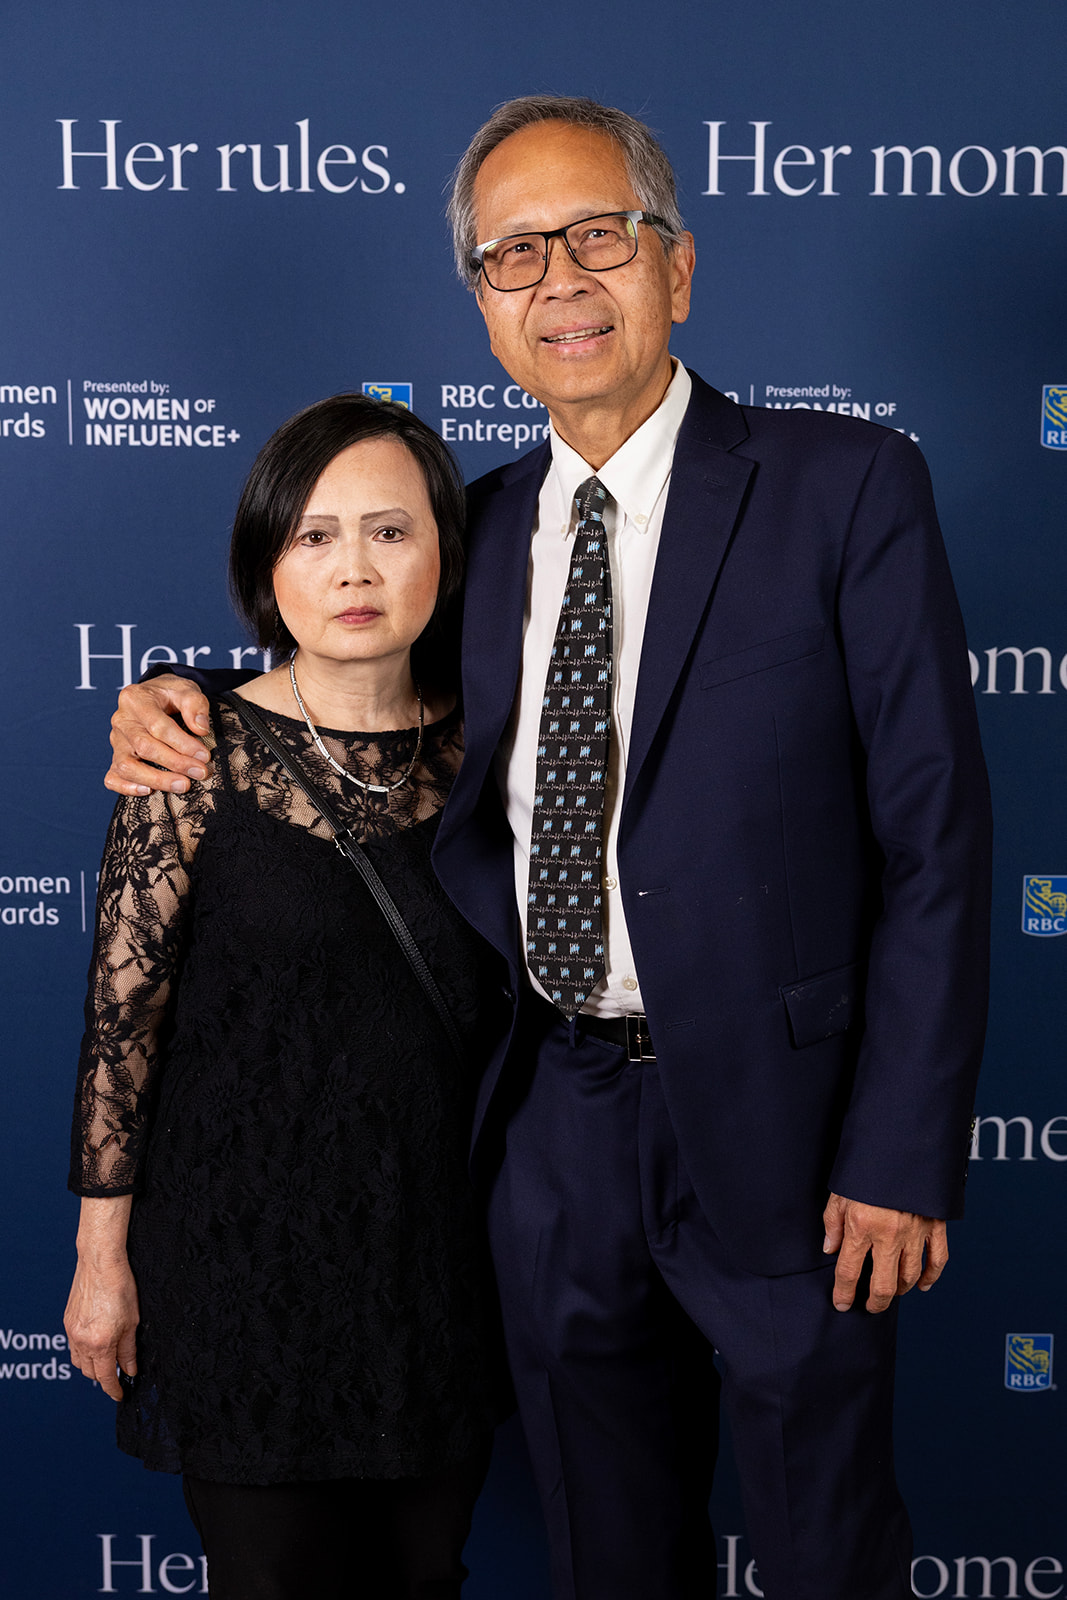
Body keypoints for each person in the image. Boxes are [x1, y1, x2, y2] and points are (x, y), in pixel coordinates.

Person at [104, 97, 992, 1600]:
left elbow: (935, 841)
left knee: (824, 1546)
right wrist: (173, 695)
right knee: (606, 1546)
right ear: (481, 303)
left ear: (677, 268)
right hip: (553, 1120)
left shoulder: (844, 487)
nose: (559, 280)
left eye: (598, 237)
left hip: (789, 1127)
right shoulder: (478, 528)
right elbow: (342, 666)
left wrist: (899, 1153)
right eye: (514, 254)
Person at [66, 393, 505, 1600]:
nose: (353, 568)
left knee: (425, 1575)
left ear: (443, 553)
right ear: (268, 563)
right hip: (241, 1265)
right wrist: (101, 1260)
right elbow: (120, 1034)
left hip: (436, 1265)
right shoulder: (185, 754)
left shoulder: (496, 757)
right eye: (314, 535)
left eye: (389, 531)